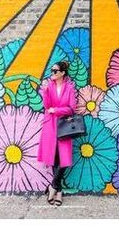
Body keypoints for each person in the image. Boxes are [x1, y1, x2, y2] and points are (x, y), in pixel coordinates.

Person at [37, 60, 77, 206]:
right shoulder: (49, 87)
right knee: (54, 158)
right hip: (50, 125)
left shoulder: (70, 88)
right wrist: (45, 91)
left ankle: (52, 186)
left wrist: (57, 110)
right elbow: (47, 106)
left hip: (64, 125)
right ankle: (58, 192)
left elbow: (71, 108)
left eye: (55, 71)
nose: (52, 73)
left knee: (64, 160)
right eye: (51, 71)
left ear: (62, 73)